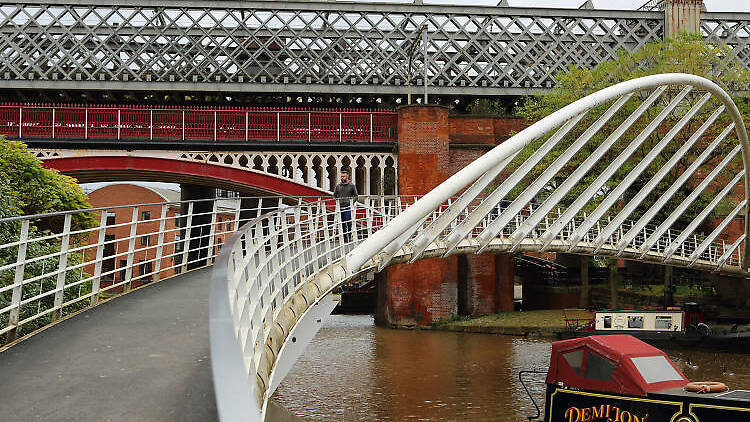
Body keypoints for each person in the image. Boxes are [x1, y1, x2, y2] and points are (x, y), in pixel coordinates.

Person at [333, 170, 358, 242]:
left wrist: (351, 202)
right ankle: (345, 237)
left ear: (347, 176)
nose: (342, 177)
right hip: (340, 207)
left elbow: (356, 196)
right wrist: (337, 202)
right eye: (341, 176)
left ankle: (349, 235)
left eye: (343, 176)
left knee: (348, 221)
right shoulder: (338, 186)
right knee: (342, 222)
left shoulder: (352, 185)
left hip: (348, 207)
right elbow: (334, 196)